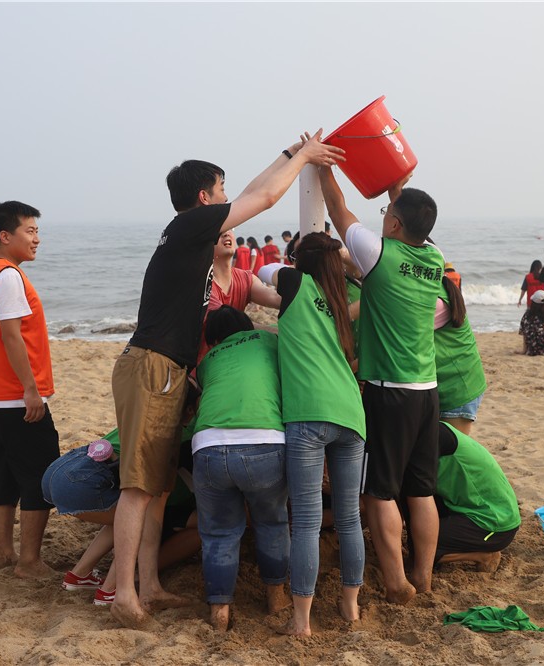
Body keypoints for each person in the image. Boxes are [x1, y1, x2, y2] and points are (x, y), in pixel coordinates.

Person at [108, 131, 344, 628]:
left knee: (156, 485)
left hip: (165, 369)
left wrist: (288, 154)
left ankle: (147, 583)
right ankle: (124, 592)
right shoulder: (194, 225)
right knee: (138, 486)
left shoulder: (187, 232)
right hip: (153, 365)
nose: (224, 198)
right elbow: (262, 198)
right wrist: (303, 157)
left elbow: (253, 192)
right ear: (203, 198)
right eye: (219, 189)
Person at [319, 166, 442, 605]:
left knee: (380, 491)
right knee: (421, 489)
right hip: (428, 390)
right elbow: (411, 219)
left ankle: (395, 581)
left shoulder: (378, 254)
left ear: (392, 225)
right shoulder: (434, 258)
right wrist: (396, 190)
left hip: (389, 392)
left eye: (388, 211)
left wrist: (323, 168)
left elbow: (337, 209)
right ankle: (423, 577)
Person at [259, 232, 367, 636]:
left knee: (305, 521)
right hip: (351, 414)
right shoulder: (340, 303)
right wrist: (346, 262)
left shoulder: (294, 283)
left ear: (299, 260)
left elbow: (264, 270)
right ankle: (350, 606)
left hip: (308, 413)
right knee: (349, 518)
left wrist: (286, 264)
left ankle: (302, 621)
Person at [0, 201, 59, 579]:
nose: (37, 238)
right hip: (14, 395)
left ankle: (4, 554)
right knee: (40, 472)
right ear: (5, 236)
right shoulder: (7, 276)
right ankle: (29, 562)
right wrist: (31, 389)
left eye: (37, 231)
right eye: (30, 231)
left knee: (3, 474)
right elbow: (11, 336)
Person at [191, 307, 289, 631]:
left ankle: (219, 613)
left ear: (215, 339)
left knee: (218, 533)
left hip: (207, 446)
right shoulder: (267, 340)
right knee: (272, 522)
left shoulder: (208, 360)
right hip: (264, 441)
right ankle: (276, 597)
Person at [42, 423, 200, 606]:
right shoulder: (184, 440)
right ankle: (110, 589)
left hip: (65, 466)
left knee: (122, 515)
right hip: (88, 478)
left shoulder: (158, 415)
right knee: (137, 520)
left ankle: (79, 575)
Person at [404, 422, 520, 573]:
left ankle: (483, 555)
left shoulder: (432, 440)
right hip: (470, 507)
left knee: (422, 550)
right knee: (417, 531)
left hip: (495, 524)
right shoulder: (430, 430)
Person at [195, 229, 281, 365]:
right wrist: (279, 333)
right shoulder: (201, 283)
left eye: (230, 229)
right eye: (219, 231)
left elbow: (275, 298)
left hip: (235, 356)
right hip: (205, 365)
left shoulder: (245, 277)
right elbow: (229, 325)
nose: (226, 234)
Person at [433, 266, 486, 436]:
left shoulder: (436, 302)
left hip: (458, 388)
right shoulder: (441, 287)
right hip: (455, 384)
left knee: (453, 453)